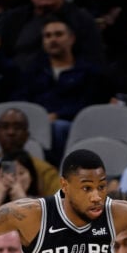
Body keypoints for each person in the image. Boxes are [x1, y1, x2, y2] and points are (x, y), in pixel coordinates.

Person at [13, 14, 108, 163]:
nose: (53, 40)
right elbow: (22, 99)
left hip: (72, 124)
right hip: (37, 123)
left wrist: (58, 115)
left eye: (58, 34)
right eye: (48, 36)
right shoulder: (33, 71)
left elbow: (89, 104)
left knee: (57, 127)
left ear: (71, 38)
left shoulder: (89, 72)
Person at [0, 108, 61, 201]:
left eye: (17, 128)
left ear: (26, 135)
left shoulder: (45, 171)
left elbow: (59, 202)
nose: (11, 132)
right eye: (5, 127)